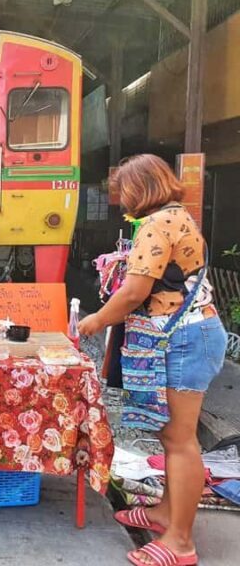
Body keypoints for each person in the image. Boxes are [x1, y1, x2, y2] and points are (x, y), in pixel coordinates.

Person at [78, 154, 227, 566]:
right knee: (170, 436)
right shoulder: (177, 216)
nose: (121, 199)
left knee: (180, 441)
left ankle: (180, 541)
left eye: (124, 189)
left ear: (140, 187)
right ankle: (166, 513)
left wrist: (95, 321)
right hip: (189, 334)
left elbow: (133, 292)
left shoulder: (157, 224)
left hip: (184, 338)